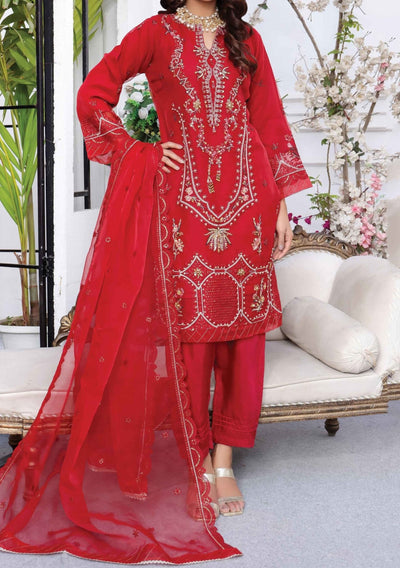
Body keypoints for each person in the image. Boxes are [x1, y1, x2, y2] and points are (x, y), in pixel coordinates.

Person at [0, 0, 311, 564]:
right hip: (184, 206)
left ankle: (225, 460)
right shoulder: (155, 33)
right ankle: (195, 460)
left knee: (245, 336)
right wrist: (134, 150)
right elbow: (93, 93)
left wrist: (283, 205)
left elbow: (268, 120)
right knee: (189, 337)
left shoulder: (246, 37)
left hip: (249, 201)